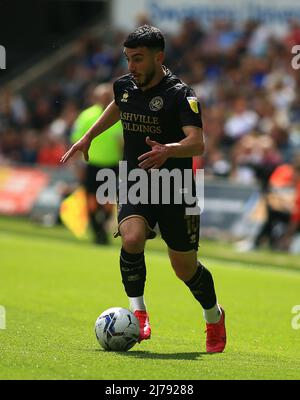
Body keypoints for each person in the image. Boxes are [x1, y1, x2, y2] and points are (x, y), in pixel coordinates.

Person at [61, 25, 226, 353]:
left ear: (158, 57)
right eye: (128, 59)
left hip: (176, 188)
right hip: (136, 180)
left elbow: (198, 144)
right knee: (133, 238)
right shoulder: (124, 85)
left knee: (184, 267)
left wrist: (168, 149)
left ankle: (213, 315)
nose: (131, 66)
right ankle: (139, 312)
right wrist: (88, 136)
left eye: (138, 59)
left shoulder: (181, 94)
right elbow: (118, 105)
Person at [71, 83, 123, 244]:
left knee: (108, 200)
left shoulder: (119, 116)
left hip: (112, 165)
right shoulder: (86, 116)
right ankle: (97, 229)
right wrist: (77, 166)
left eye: (109, 96)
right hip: (91, 165)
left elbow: (123, 143)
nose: (106, 99)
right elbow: (76, 140)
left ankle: (102, 225)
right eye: (103, 96)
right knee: (91, 199)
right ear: (96, 98)